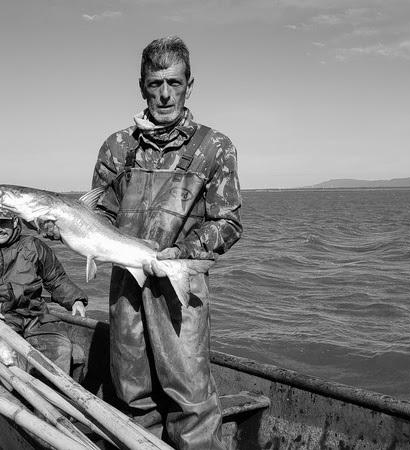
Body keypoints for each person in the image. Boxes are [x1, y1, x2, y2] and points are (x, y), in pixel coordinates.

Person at [88, 36, 242, 449]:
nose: (165, 93)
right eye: (155, 83)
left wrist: (183, 251)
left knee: (191, 398)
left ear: (190, 85)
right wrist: (67, 228)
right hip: (127, 284)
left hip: (180, 286)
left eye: (174, 82)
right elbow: (100, 213)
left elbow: (227, 223)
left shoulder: (214, 147)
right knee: (131, 391)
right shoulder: (118, 147)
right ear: (142, 86)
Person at [0, 200, 87, 374]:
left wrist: (75, 300)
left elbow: (56, 279)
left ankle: (54, 392)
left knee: (61, 349)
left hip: (36, 317)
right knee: (7, 355)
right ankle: (19, 392)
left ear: (14, 222)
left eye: (3, 223)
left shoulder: (33, 246)